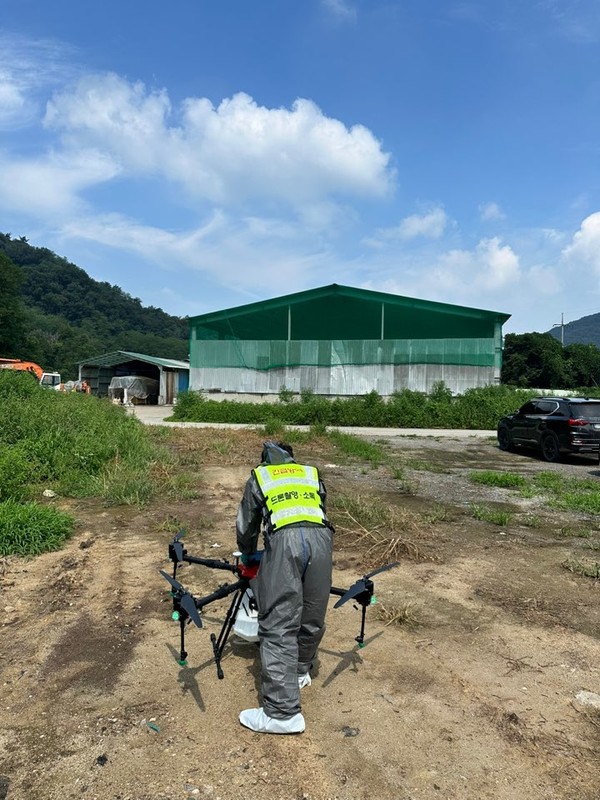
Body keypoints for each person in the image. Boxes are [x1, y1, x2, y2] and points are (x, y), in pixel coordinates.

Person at [236, 440, 334, 734]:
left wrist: (248, 552)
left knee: (279, 620)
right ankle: (300, 670)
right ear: (292, 457)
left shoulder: (261, 476)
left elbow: (247, 524)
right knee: (312, 611)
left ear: (266, 459)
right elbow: (319, 507)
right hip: (321, 539)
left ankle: (281, 713)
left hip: (285, 541)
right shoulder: (310, 473)